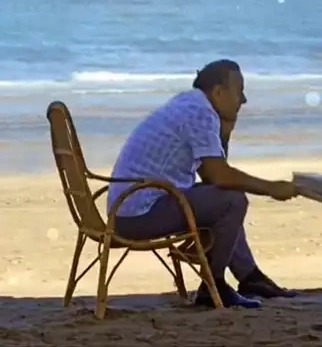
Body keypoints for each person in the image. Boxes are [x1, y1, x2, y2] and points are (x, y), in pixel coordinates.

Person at [107, 59, 298, 309]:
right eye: (239, 91)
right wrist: (272, 188)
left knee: (225, 198)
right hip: (139, 214)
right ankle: (213, 286)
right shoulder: (200, 113)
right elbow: (220, 177)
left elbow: (212, 177)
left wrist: (224, 135)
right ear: (219, 92)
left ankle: (249, 276)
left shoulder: (191, 104)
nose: (243, 100)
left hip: (129, 208)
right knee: (232, 200)